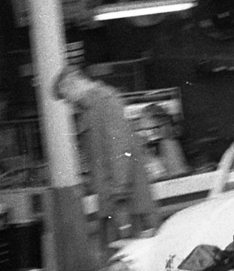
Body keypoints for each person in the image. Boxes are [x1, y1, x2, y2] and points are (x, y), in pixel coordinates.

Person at [52, 66, 158, 246]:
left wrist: (119, 189)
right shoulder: (89, 109)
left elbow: (119, 147)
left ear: (75, 81)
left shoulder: (105, 101)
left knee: (129, 256)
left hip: (124, 201)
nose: (68, 101)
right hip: (113, 199)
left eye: (66, 94)